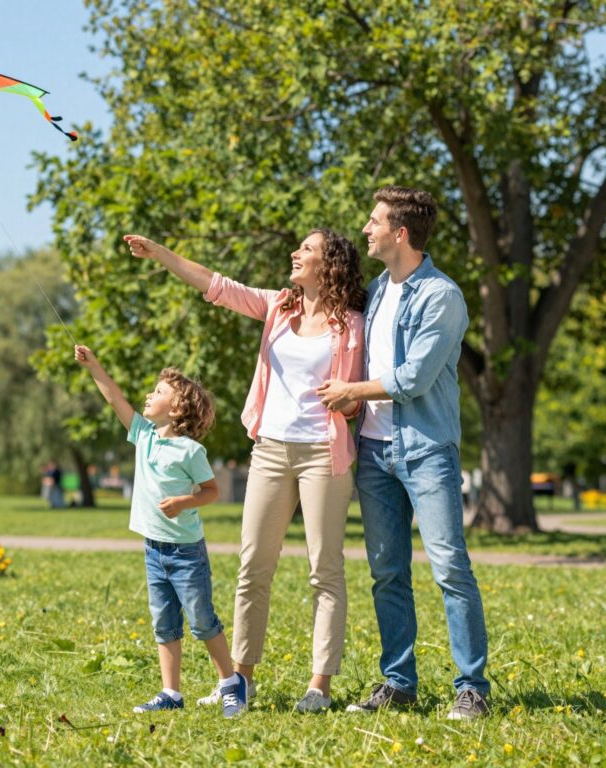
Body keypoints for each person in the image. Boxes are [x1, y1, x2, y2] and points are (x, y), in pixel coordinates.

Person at [125, 228, 365, 713]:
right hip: (272, 448)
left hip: (324, 452)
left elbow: (358, 395)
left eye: (307, 249)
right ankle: (242, 680)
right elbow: (216, 286)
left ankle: (319, 686)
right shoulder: (278, 307)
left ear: (330, 264)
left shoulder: (353, 324)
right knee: (253, 566)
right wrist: (159, 252)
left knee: (325, 570)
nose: (296, 253)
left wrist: (349, 396)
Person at [318, 185, 490, 719]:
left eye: (374, 221)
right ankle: (398, 682)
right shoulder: (375, 291)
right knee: (387, 570)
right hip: (374, 451)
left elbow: (413, 378)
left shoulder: (442, 296)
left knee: (449, 568)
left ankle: (472, 688)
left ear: (401, 232)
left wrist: (351, 393)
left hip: (426, 449)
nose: (366, 229)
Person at [73, 344, 248, 717]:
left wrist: (184, 502)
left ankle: (231, 683)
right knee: (164, 623)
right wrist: (94, 366)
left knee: (202, 621)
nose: (148, 395)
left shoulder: (189, 451)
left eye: (158, 392)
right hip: (154, 550)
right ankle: (171, 693)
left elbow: (212, 492)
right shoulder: (144, 436)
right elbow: (114, 397)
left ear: (178, 408)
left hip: (186, 553)